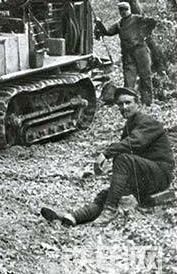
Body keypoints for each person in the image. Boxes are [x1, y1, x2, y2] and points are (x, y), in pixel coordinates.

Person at [40, 87, 174, 227]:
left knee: (123, 160)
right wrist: (105, 169)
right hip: (143, 175)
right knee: (108, 194)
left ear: (138, 104)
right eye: (120, 104)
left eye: (128, 103)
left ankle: (110, 210)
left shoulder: (148, 122)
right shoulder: (130, 125)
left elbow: (133, 144)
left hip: (160, 175)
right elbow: (123, 152)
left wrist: (105, 154)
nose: (124, 107)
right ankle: (73, 217)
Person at [95, 1, 159, 105]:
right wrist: (99, 23)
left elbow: (153, 22)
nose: (123, 12)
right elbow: (108, 32)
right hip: (128, 55)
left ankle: (147, 103)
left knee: (145, 77)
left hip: (141, 51)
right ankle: (129, 102)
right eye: (121, 10)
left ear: (129, 10)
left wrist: (146, 33)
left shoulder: (137, 19)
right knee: (129, 80)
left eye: (125, 9)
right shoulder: (119, 24)